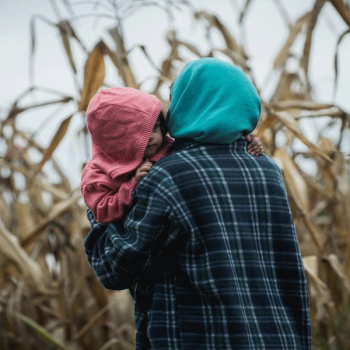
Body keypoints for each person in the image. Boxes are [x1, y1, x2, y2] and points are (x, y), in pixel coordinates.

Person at [84, 58, 311, 349]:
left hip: (202, 338)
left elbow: (114, 267)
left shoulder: (169, 176)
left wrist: (101, 201)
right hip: (278, 337)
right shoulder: (267, 170)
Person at [81, 86, 263, 224]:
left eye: (155, 128)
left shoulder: (169, 147)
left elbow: (208, 145)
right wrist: (131, 185)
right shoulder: (98, 175)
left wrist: (245, 141)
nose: (151, 138)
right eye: (138, 133)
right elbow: (102, 211)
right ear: (115, 140)